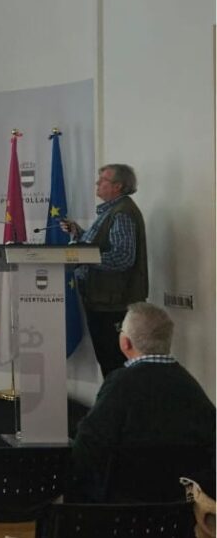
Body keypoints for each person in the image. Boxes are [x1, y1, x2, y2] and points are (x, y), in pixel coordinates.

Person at [71, 302, 216, 501]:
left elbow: (88, 445)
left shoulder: (119, 384)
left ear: (125, 342)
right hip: (183, 508)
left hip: (123, 508)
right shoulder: (190, 386)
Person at [61, 164, 148, 378]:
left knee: (114, 363)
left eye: (103, 180)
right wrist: (78, 233)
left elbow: (122, 257)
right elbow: (101, 247)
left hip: (113, 303)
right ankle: (114, 398)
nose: (97, 184)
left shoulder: (122, 213)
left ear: (118, 186)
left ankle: (118, 400)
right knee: (108, 362)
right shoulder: (112, 210)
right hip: (103, 299)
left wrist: (81, 256)